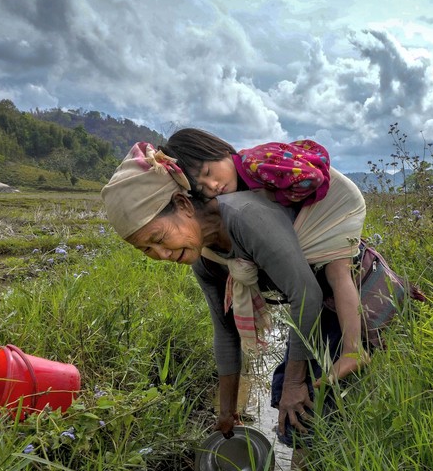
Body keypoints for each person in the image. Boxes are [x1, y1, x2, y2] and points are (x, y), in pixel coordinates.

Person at [101, 141, 366, 441]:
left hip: (343, 291)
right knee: (294, 409)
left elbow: (306, 295)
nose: (161, 254)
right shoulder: (206, 258)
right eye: (147, 249)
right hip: (313, 302)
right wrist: (226, 409)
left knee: (303, 410)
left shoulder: (245, 216)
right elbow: (225, 331)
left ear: (184, 205)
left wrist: (295, 383)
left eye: (159, 237)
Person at [163, 128, 367, 384]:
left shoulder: (257, 164)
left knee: (338, 271)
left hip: (336, 204)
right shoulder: (234, 195)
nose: (214, 186)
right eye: (203, 188)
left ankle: (353, 350)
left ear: (222, 150)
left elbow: (313, 177)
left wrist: (274, 197)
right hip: (314, 208)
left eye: (208, 173)